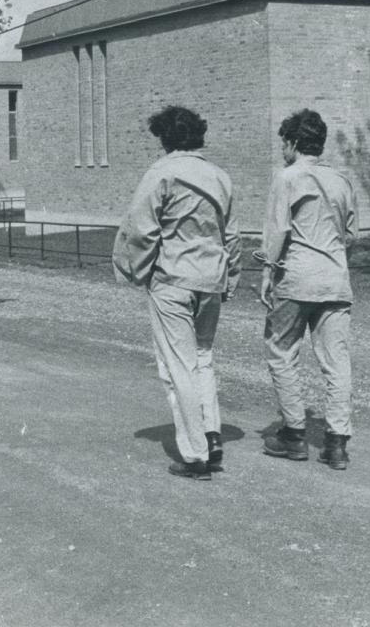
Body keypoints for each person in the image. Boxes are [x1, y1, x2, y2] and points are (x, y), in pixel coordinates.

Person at [113, 105, 240, 481]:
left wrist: (140, 271)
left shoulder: (161, 173)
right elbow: (230, 234)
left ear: (165, 139)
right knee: (203, 358)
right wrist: (230, 277)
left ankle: (195, 453)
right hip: (211, 278)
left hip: (173, 279)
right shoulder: (220, 176)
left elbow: (141, 230)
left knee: (177, 366)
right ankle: (212, 435)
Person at [258, 109, 359, 470]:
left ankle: (295, 433)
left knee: (282, 349)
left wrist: (267, 274)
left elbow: (276, 232)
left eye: (284, 142)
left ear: (294, 143)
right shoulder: (342, 181)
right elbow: (350, 233)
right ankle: (337, 443)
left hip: (297, 276)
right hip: (336, 278)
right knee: (336, 360)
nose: (283, 149)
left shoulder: (287, 178)